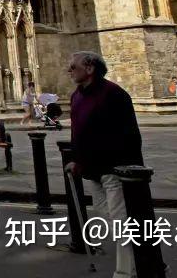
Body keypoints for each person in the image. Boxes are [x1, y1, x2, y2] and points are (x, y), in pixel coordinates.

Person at [66, 51, 144, 278]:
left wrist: (127, 167)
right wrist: (75, 159)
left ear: (90, 68)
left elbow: (129, 134)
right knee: (109, 219)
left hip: (113, 168)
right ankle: (148, 259)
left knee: (121, 222)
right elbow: (77, 132)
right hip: (92, 170)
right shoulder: (76, 96)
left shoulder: (114, 94)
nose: (69, 70)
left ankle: (126, 272)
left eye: (73, 66)